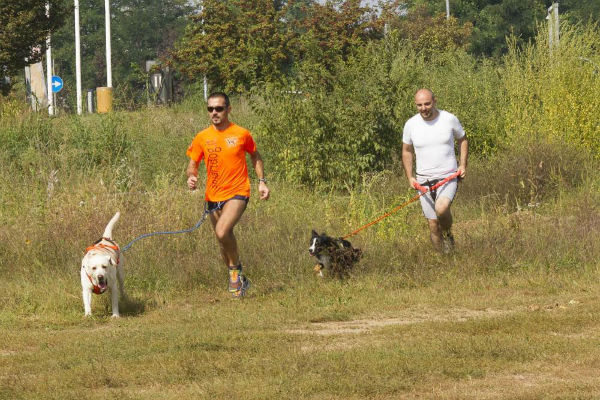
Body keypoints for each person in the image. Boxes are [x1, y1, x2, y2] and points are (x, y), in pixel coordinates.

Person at [186, 92, 270, 298]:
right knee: (222, 240)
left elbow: (255, 156)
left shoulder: (241, 134)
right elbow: (192, 164)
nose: (214, 112)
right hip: (213, 196)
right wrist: (192, 177)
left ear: (228, 110)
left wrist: (261, 182)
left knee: (223, 231)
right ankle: (240, 278)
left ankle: (235, 273)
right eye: (210, 109)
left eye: (219, 108)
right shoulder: (202, 137)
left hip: (238, 192)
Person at [401, 88, 468, 253]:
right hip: (423, 181)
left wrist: (462, 165)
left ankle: (448, 235)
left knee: (441, 208)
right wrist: (410, 177)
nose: (424, 108)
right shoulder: (411, 124)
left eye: (427, 103)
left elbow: (463, 140)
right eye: (419, 105)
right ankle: (442, 259)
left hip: (448, 176)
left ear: (434, 101)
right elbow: (407, 151)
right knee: (432, 224)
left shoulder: (449, 119)